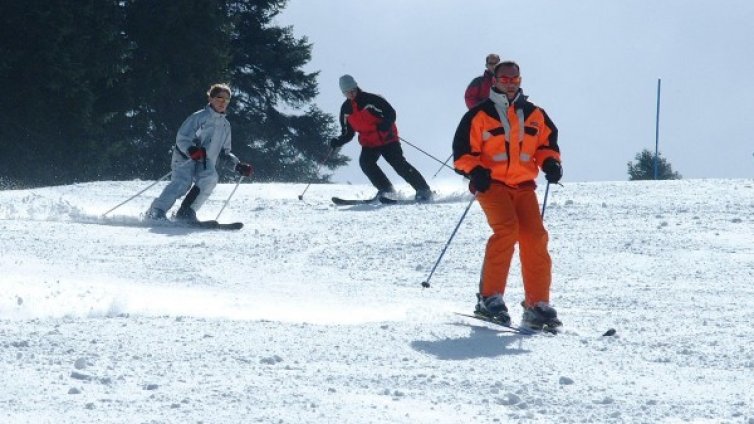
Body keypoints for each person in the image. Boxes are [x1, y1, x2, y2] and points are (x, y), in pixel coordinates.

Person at [452, 60, 563, 331]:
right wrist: (475, 170)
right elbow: (463, 153)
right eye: (505, 79)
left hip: (524, 186)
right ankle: (489, 298)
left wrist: (550, 162)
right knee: (507, 230)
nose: (510, 84)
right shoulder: (479, 115)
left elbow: (547, 145)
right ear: (495, 81)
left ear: (520, 80)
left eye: (514, 79)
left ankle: (538, 304)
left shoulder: (535, 114)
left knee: (535, 237)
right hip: (492, 185)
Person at [146, 83, 253, 222]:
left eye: (226, 100)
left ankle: (186, 212)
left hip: (205, 160)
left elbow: (224, 154)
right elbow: (182, 137)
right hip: (186, 157)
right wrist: (191, 149)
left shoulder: (226, 126)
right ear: (211, 99)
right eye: (219, 98)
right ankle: (157, 210)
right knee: (182, 182)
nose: (223, 102)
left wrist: (238, 165)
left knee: (210, 178)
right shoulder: (199, 117)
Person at [330, 75, 432, 201]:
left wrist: (386, 124)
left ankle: (423, 189)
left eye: (352, 90)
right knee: (366, 163)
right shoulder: (346, 109)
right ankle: (386, 189)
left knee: (398, 163)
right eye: (346, 92)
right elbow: (348, 133)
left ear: (356, 87)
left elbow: (390, 113)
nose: (350, 94)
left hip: (387, 138)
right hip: (369, 143)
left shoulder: (371, 100)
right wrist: (338, 141)